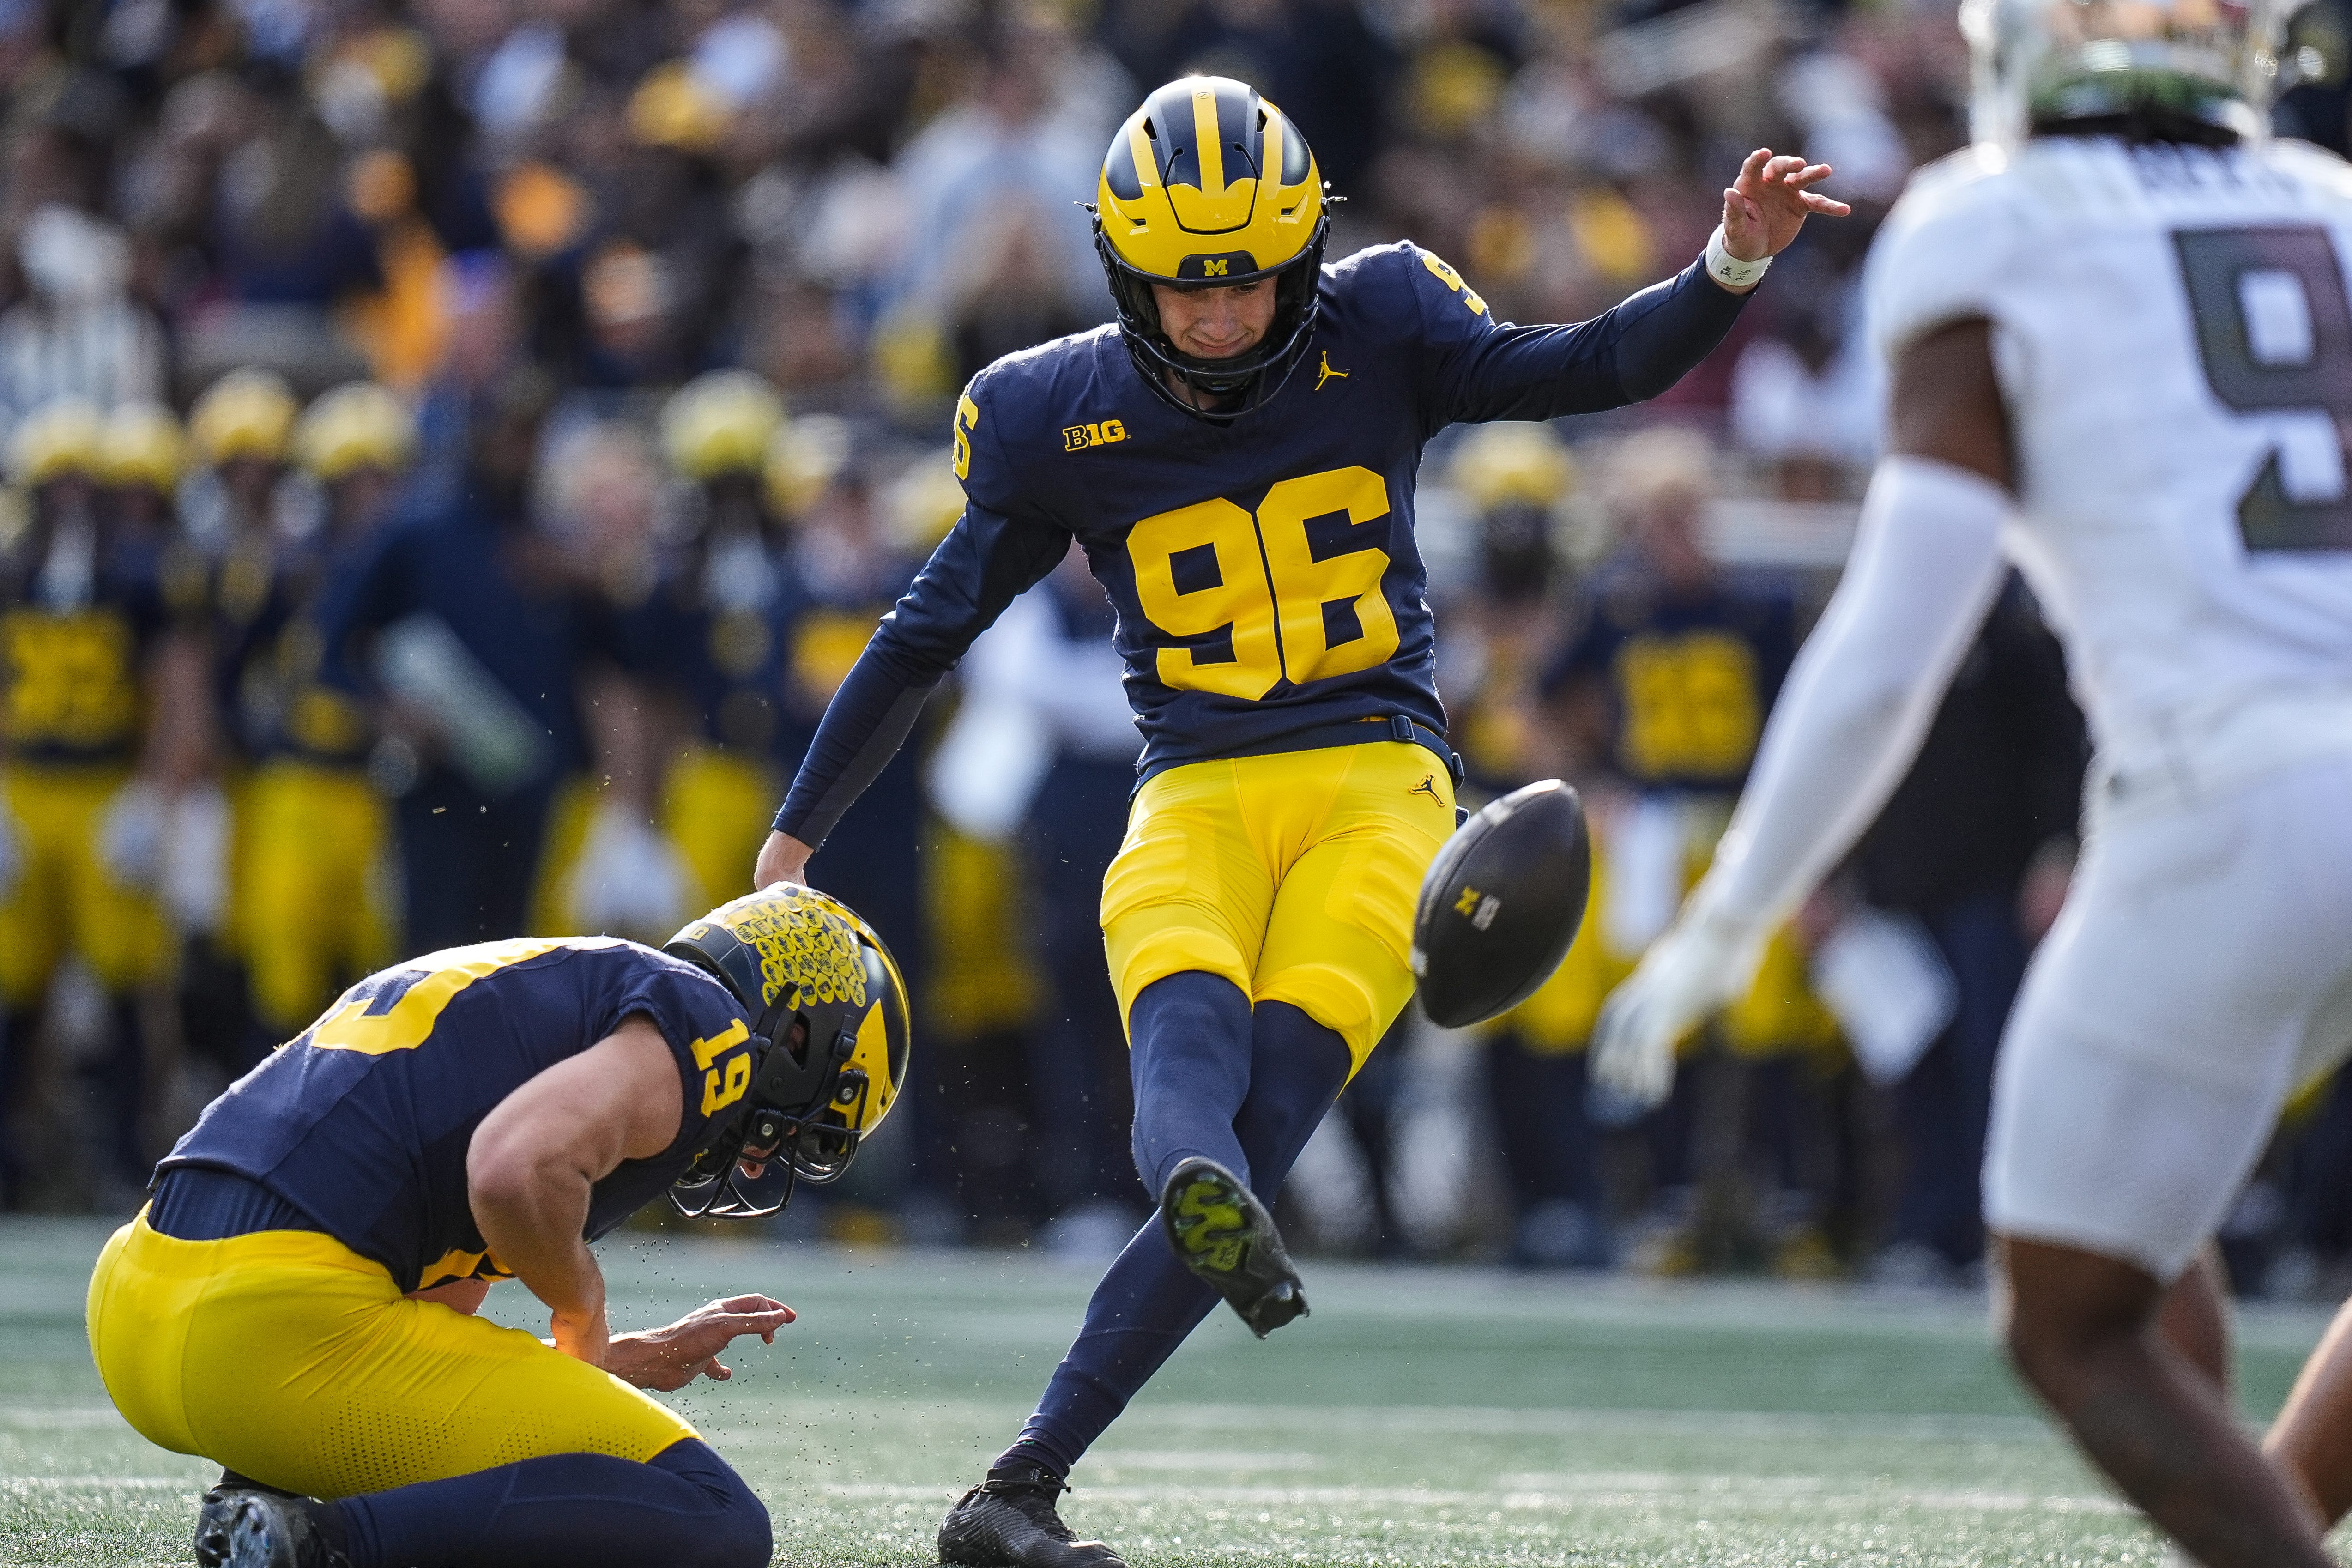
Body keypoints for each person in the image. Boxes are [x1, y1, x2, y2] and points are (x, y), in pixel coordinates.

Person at [750, 74, 1844, 1567]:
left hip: (1380, 775)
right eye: (1185, 290)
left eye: (1248, 279)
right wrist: (794, 829)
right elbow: (926, 627)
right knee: (1187, 1047)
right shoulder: (1050, 409)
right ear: (1125, 273)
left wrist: (1726, 262)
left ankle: (1031, 1466)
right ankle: (1021, 1478)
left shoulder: (1381, 314)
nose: (1217, 317)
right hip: (1189, 777)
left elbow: (1587, 364)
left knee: (1262, 1100)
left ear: (1300, 251)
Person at [1586, 0, 2352, 1560]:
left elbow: (1891, 643)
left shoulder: (1987, 221)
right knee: (2141, 1202)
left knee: (2071, 1316)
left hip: (2232, 789)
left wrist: (1731, 914)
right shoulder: (2334, 208)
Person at [85, 881, 911, 1568]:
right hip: (266, 1333)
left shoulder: (552, 988)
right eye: (793, 1128)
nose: (764, 1161)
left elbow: (425, 1333)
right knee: (716, 1516)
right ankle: (318, 1545)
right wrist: (584, 1305)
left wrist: (602, 1365)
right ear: (796, 1032)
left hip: (138, 1314)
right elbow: (514, 1171)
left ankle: (262, 1494)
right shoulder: (703, 1025)